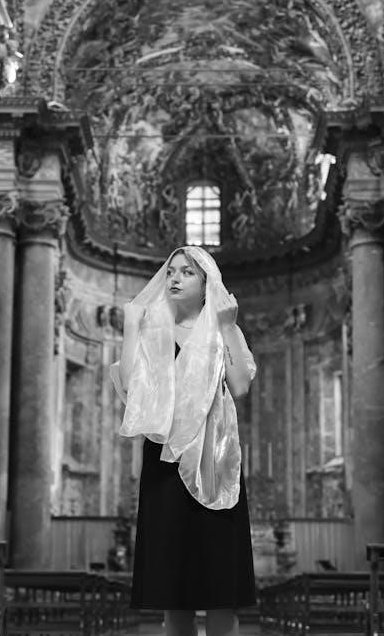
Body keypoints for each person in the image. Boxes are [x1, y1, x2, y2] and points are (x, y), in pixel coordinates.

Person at [110, 245, 257, 636]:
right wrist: (130, 327)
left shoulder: (222, 330)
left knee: (221, 593)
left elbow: (240, 385)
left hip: (214, 459)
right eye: (171, 271)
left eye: (187, 272)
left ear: (207, 283)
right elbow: (131, 390)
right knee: (174, 594)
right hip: (165, 465)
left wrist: (229, 326)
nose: (174, 278)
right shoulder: (152, 331)